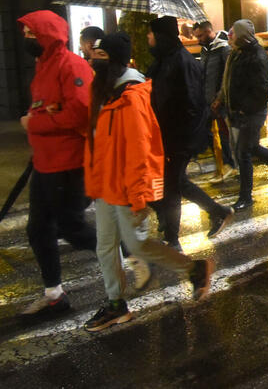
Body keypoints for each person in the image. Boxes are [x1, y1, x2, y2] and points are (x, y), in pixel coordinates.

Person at [82, 32, 214, 331]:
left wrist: (140, 195)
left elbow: (143, 150)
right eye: (93, 56)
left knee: (138, 245)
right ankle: (116, 304)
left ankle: (194, 269)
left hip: (127, 189)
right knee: (106, 247)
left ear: (115, 60)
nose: (93, 61)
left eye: (100, 57)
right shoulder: (104, 91)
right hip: (105, 184)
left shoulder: (131, 96)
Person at [17, 11, 98, 317]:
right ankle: (54, 296)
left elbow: (79, 113)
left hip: (67, 162)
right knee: (38, 229)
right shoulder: (43, 65)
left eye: (30, 34)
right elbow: (44, 106)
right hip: (45, 162)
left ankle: (132, 254)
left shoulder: (71, 65)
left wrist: (34, 124)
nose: (26, 39)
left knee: (71, 227)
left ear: (46, 36)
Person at [147, 17, 234, 245]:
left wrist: (183, 135)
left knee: (173, 185)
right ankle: (215, 212)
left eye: (150, 35)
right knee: (175, 183)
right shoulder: (165, 60)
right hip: (168, 134)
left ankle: (172, 237)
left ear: (160, 37)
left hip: (180, 135)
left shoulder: (181, 61)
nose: (148, 39)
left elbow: (190, 102)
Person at [216, 19, 268, 212]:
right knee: (251, 148)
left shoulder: (257, 56)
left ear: (242, 35)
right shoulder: (236, 53)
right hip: (238, 110)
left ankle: (246, 197)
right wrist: (221, 97)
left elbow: (263, 92)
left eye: (233, 33)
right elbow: (228, 80)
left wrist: (244, 108)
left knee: (243, 152)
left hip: (252, 112)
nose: (229, 36)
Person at [192, 21, 236, 183]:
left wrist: (219, 98)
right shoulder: (206, 49)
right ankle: (222, 166)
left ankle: (229, 164)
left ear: (209, 31)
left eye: (201, 35)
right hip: (208, 100)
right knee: (211, 134)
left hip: (220, 101)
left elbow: (227, 76)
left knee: (223, 134)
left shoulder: (223, 48)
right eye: (196, 36)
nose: (198, 39)